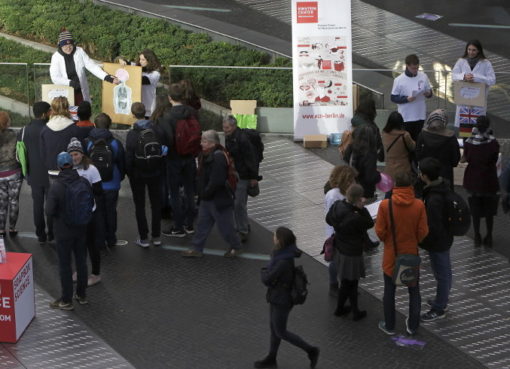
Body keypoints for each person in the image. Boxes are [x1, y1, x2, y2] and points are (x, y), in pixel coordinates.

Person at [255, 226, 320, 369]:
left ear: (279, 240)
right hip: (276, 296)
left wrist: (263, 270)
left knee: (280, 331)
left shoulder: (283, 260)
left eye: (275, 236)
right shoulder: (282, 254)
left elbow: (267, 278)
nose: (273, 237)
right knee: (274, 329)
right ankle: (271, 358)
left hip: (281, 300)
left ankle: (311, 350)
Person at [375, 171, 428, 336]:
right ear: (411, 186)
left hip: (392, 256)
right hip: (411, 256)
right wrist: (413, 241)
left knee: (389, 292)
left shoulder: (385, 205)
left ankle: (389, 325)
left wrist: (389, 241)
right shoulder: (419, 205)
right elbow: (423, 232)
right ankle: (412, 325)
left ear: (395, 185)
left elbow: (380, 231)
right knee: (414, 291)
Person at [181, 130, 242, 258]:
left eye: (204, 141)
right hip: (209, 198)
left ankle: (235, 246)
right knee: (202, 225)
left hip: (218, 199)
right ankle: (197, 248)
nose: (201, 143)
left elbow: (217, 181)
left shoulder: (217, 157)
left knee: (226, 227)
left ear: (212, 143)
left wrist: (205, 193)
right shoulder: (208, 154)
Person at [46, 152, 90, 310]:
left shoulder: (56, 186)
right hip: (81, 228)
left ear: (59, 167)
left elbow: (49, 211)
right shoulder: (83, 182)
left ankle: (66, 300)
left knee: (65, 265)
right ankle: (82, 294)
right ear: (72, 164)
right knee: (81, 262)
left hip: (63, 231)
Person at [326, 184, 373, 321]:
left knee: (347, 282)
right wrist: (362, 209)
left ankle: (343, 309)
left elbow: (328, 219)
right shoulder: (356, 217)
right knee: (351, 283)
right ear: (358, 199)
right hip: (352, 252)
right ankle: (352, 311)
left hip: (340, 248)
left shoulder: (337, 206)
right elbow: (370, 223)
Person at [418, 157, 454, 322]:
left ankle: (439, 308)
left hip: (438, 241)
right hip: (445, 237)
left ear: (425, 176)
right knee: (443, 272)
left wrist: (425, 240)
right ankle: (441, 300)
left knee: (442, 273)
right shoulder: (442, 187)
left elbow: (433, 226)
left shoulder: (433, 199)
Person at [160, 83, 198, 237]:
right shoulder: (193, 112)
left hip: (173, 158)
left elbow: (167, 140)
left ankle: (178, 227)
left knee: (174, 193)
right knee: (190, 191)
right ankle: (190, 225)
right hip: (190, 156)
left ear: (170, 98)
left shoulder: (167, 116)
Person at [125, 102, 165, 247]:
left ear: (133, 114)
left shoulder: (132, 134)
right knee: (156, 204)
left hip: (138, 174)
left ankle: (143, 238)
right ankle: (156, 236)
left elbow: (129, 157)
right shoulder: (157, 130)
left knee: (140, 205)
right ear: (145, 112)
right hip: (156, 172)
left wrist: (130, 173)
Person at [86, 113, 127, 248]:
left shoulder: (88, 142)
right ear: (109, 125)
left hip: (94, 183)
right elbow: (121, 163)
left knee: (97, 211)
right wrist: (120, 177)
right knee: (111, 210)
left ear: (94, 125)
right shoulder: (115, 143)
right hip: (112, 183)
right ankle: (111, 238)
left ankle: (99, 238)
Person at [67, 137, 104, 287]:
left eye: (76, 154)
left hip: (89, 214)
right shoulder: (68, 169)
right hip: (75, 214)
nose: (74, 157)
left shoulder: (92, 169)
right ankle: (80, 270)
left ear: (82, 154)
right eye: (71, 154)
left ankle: (96, 274)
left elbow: (99, 191)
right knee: (77, 244)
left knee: (91, 244)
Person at [49, 29, 118, 105]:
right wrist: (70, 83)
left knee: (82, 112)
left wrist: (107, 77)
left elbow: (92, 66)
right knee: (67, 112)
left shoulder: (79, 51)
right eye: (65, 46)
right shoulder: (56, 57)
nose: (68, 48)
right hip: (65, 91)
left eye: (70, 45)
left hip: (80, 90)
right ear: (60, 46)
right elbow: (55, 77)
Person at [461, 116, 500, 247]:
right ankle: (489, 235)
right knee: (490, 210)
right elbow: (495, 158)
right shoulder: (493, 142)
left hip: (472, 179)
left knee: (475, 210)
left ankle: (477, 235)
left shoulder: (469, 141)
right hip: (489, 180)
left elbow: (465, 158)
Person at [223, 115, 261, 242]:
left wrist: (253, 177)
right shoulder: (232, 137)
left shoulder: (241, 139)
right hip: (238, 173)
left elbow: (250, 158)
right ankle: (244, 225)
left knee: (238, 203)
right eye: (224, 127)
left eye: (227, 127)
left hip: (243, 175)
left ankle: (242, 230)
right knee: (241, 203)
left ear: (233, 126)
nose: (225, 129)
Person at [20, 102, 53, 244]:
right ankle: (52, 232)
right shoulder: (50, 129)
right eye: (49, 112)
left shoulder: (24, 130)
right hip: (50, 173)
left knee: (37, 205)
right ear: (45, 113)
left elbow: (21, 151)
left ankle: (40, 234)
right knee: (51, 205)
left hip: (33, 173)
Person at [324, 165, 358, 296]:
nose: (353, 183)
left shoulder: (346, 192)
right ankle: (333, 285)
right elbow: (333, 216)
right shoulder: (333, 195)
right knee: (335, 260)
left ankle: (346, 284)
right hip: (336, 232)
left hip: (347, 231)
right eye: (351, 180)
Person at [452, 40, 496, 131]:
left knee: (478, 131)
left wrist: (477, 78)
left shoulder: (486, 63)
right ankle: (466, 145)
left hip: (478, 103)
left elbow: (492, 80)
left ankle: (476, 144)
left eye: (474, 50)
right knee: (465, 132)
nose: (471, 52)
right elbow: (453, 76)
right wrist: (463, 76)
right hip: (464, 103)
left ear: (479, 50)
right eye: (469, 49)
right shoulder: (461, 61)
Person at [40, 97, 87, 179]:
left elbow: (42, 154)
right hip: (72, 172)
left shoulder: (45, 130)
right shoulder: (75, 129)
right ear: (67, 108)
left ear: (52, 109)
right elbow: (83, 151)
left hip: (53, 171)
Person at [391, 54, 433, 142]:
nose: (415, 70)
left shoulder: (423, 76)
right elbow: (393, 98)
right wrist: (406, 99)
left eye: (417, 68)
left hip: (420, 115)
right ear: (407, 66)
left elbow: (430, 93)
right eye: (413, 68)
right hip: (406, 117)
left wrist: (428, 93)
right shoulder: (399, 80)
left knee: (418, 142)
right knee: (406, 143)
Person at [416, 109, 460, 189]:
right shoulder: (451, 138)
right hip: (446, 176)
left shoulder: (422, 135)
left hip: (427, 175)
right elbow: (455, 160)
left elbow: (418, 155)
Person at [119, 49, 161, 117]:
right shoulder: (138, 67)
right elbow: (124, 61)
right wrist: (121, 60)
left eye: (143, 59)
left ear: (149, 60)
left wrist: (129, 73)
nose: (140, 61)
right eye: (140, 59)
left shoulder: (156, 73)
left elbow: (142, 80)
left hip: (148, 109)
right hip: (136, 107)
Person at [343, 124, 381, 199]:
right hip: (365, 190)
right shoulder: (370, 153)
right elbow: (370, 177)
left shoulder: (350, 147)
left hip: (351, 186)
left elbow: (346, 160)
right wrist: (378, 175)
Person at [0, 112, 22, 237]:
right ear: (7, 122)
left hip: (0, 174)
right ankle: (12, 228)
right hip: (14, 172)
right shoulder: (15, 135)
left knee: (2, 203)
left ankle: (1, 229)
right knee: (14, 201)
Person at [381, 111, 415, 181]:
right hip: (403, 169)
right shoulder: (405, 135)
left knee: (390, 190)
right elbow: (413, 147)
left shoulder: (384, 133)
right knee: (402, 190)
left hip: (389, 168)